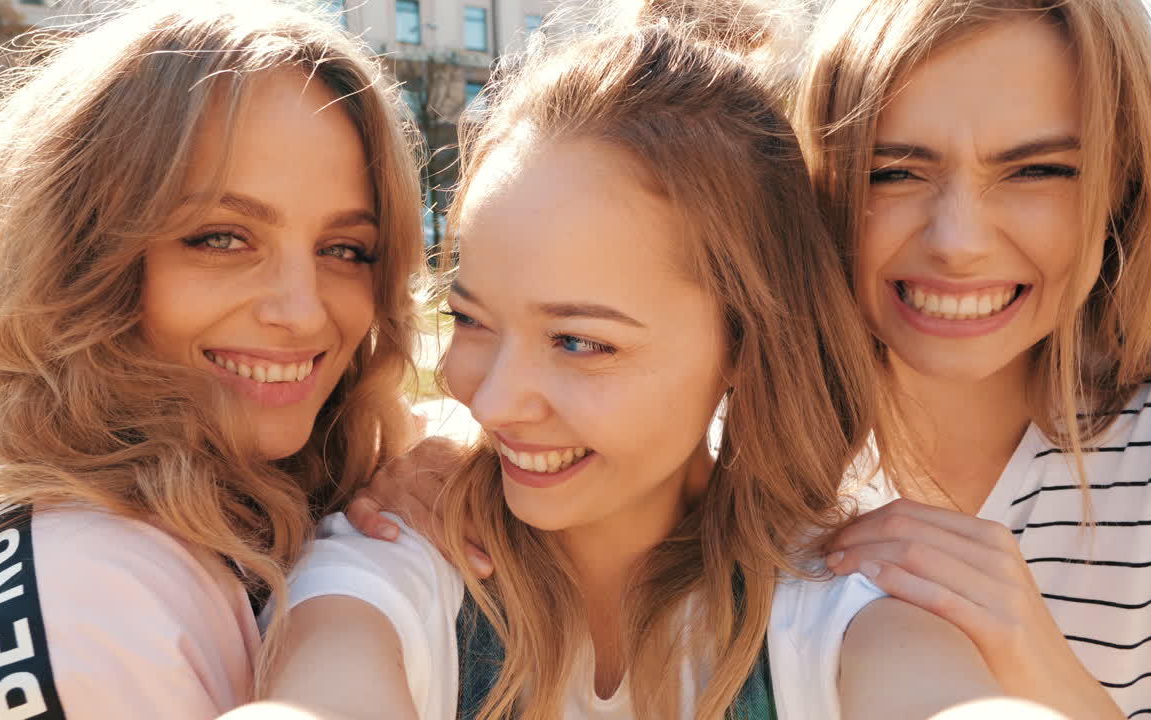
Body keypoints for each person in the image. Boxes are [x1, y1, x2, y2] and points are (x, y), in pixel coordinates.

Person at [234, 21, 1051, 720]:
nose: (495, 399)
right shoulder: (394, 552)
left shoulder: (845, 601)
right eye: (472, 319)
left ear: (743, 345)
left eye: (580, 342)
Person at [0, 0, 423, 716]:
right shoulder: (86, 611)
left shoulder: (255, 497)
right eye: (221, 238)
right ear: (82, 255)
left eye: (345, 249)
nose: (304, 311)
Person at [793, 1, 1151, 718]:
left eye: (1037, 170)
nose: (958, 242)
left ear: (1121, 189)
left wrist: (1040, 667)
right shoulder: (731, 459)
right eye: (893, 172)